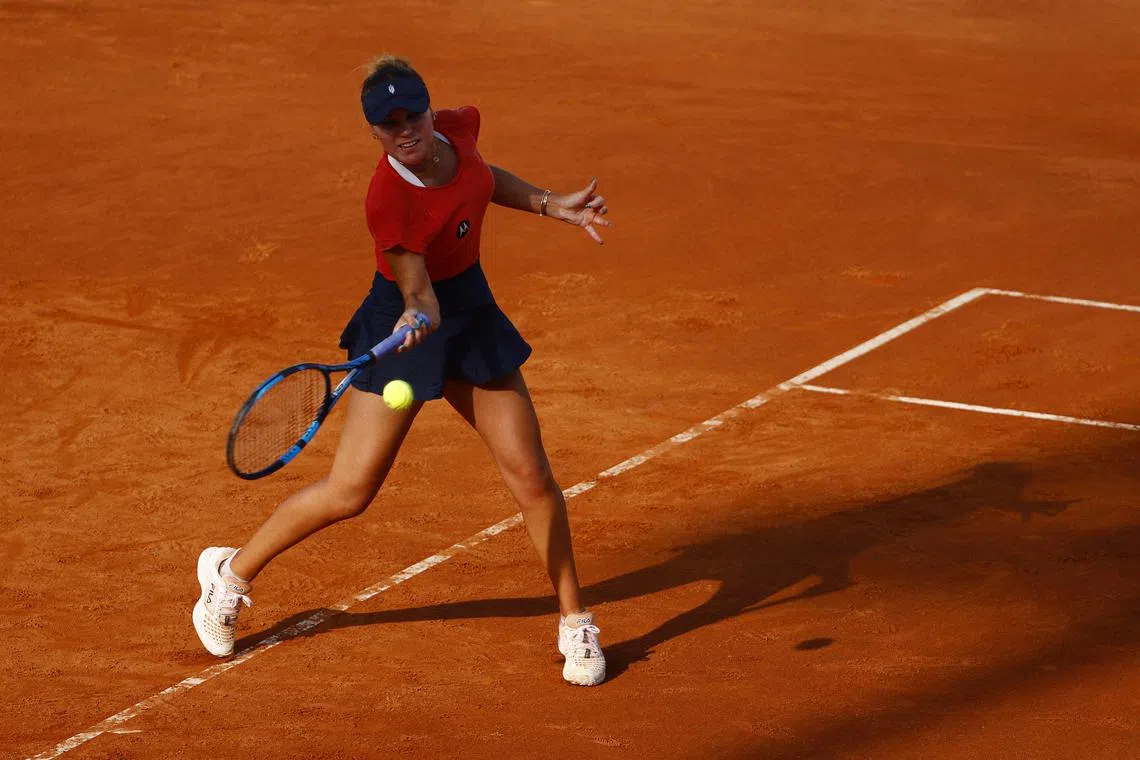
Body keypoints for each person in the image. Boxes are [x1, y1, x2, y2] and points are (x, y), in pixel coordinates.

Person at [192, 55, 611, 687]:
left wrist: (555, 205)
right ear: (375, 132)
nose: (404, 130)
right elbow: (417, 293)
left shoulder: (457, 131)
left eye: (411, 114)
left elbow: (481, 179)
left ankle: (575, 620)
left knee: (531, 472)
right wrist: (416, 316)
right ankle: (230, 574)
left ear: (428, 108)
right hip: (406, 324)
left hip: (470, 313)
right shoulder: (388, 200)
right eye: (388, 125)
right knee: (351, 491)